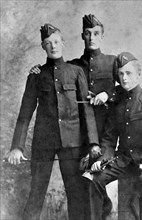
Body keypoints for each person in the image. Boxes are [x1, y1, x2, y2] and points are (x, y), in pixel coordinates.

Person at [6, 23, 100, 220]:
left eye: (56, 41)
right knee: (36, 192)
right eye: (48, 43)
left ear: (63, 43)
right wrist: (17, 147)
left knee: (76, 193)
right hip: (44, 142)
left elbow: (87, 111)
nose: (53, 46)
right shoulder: (36, 76)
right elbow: (25, 114)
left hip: (72, 143)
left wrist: (92, 143)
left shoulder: (75, 72)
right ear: (43, 46)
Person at [87, 52, 142, 220]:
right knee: (95, 179)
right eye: (121, 74)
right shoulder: (116, 103)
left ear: (138, 74)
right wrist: (101, 161)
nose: (124, 78)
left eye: (129, 73)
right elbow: (109, 139)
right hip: (123, 160)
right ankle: (104, 212)